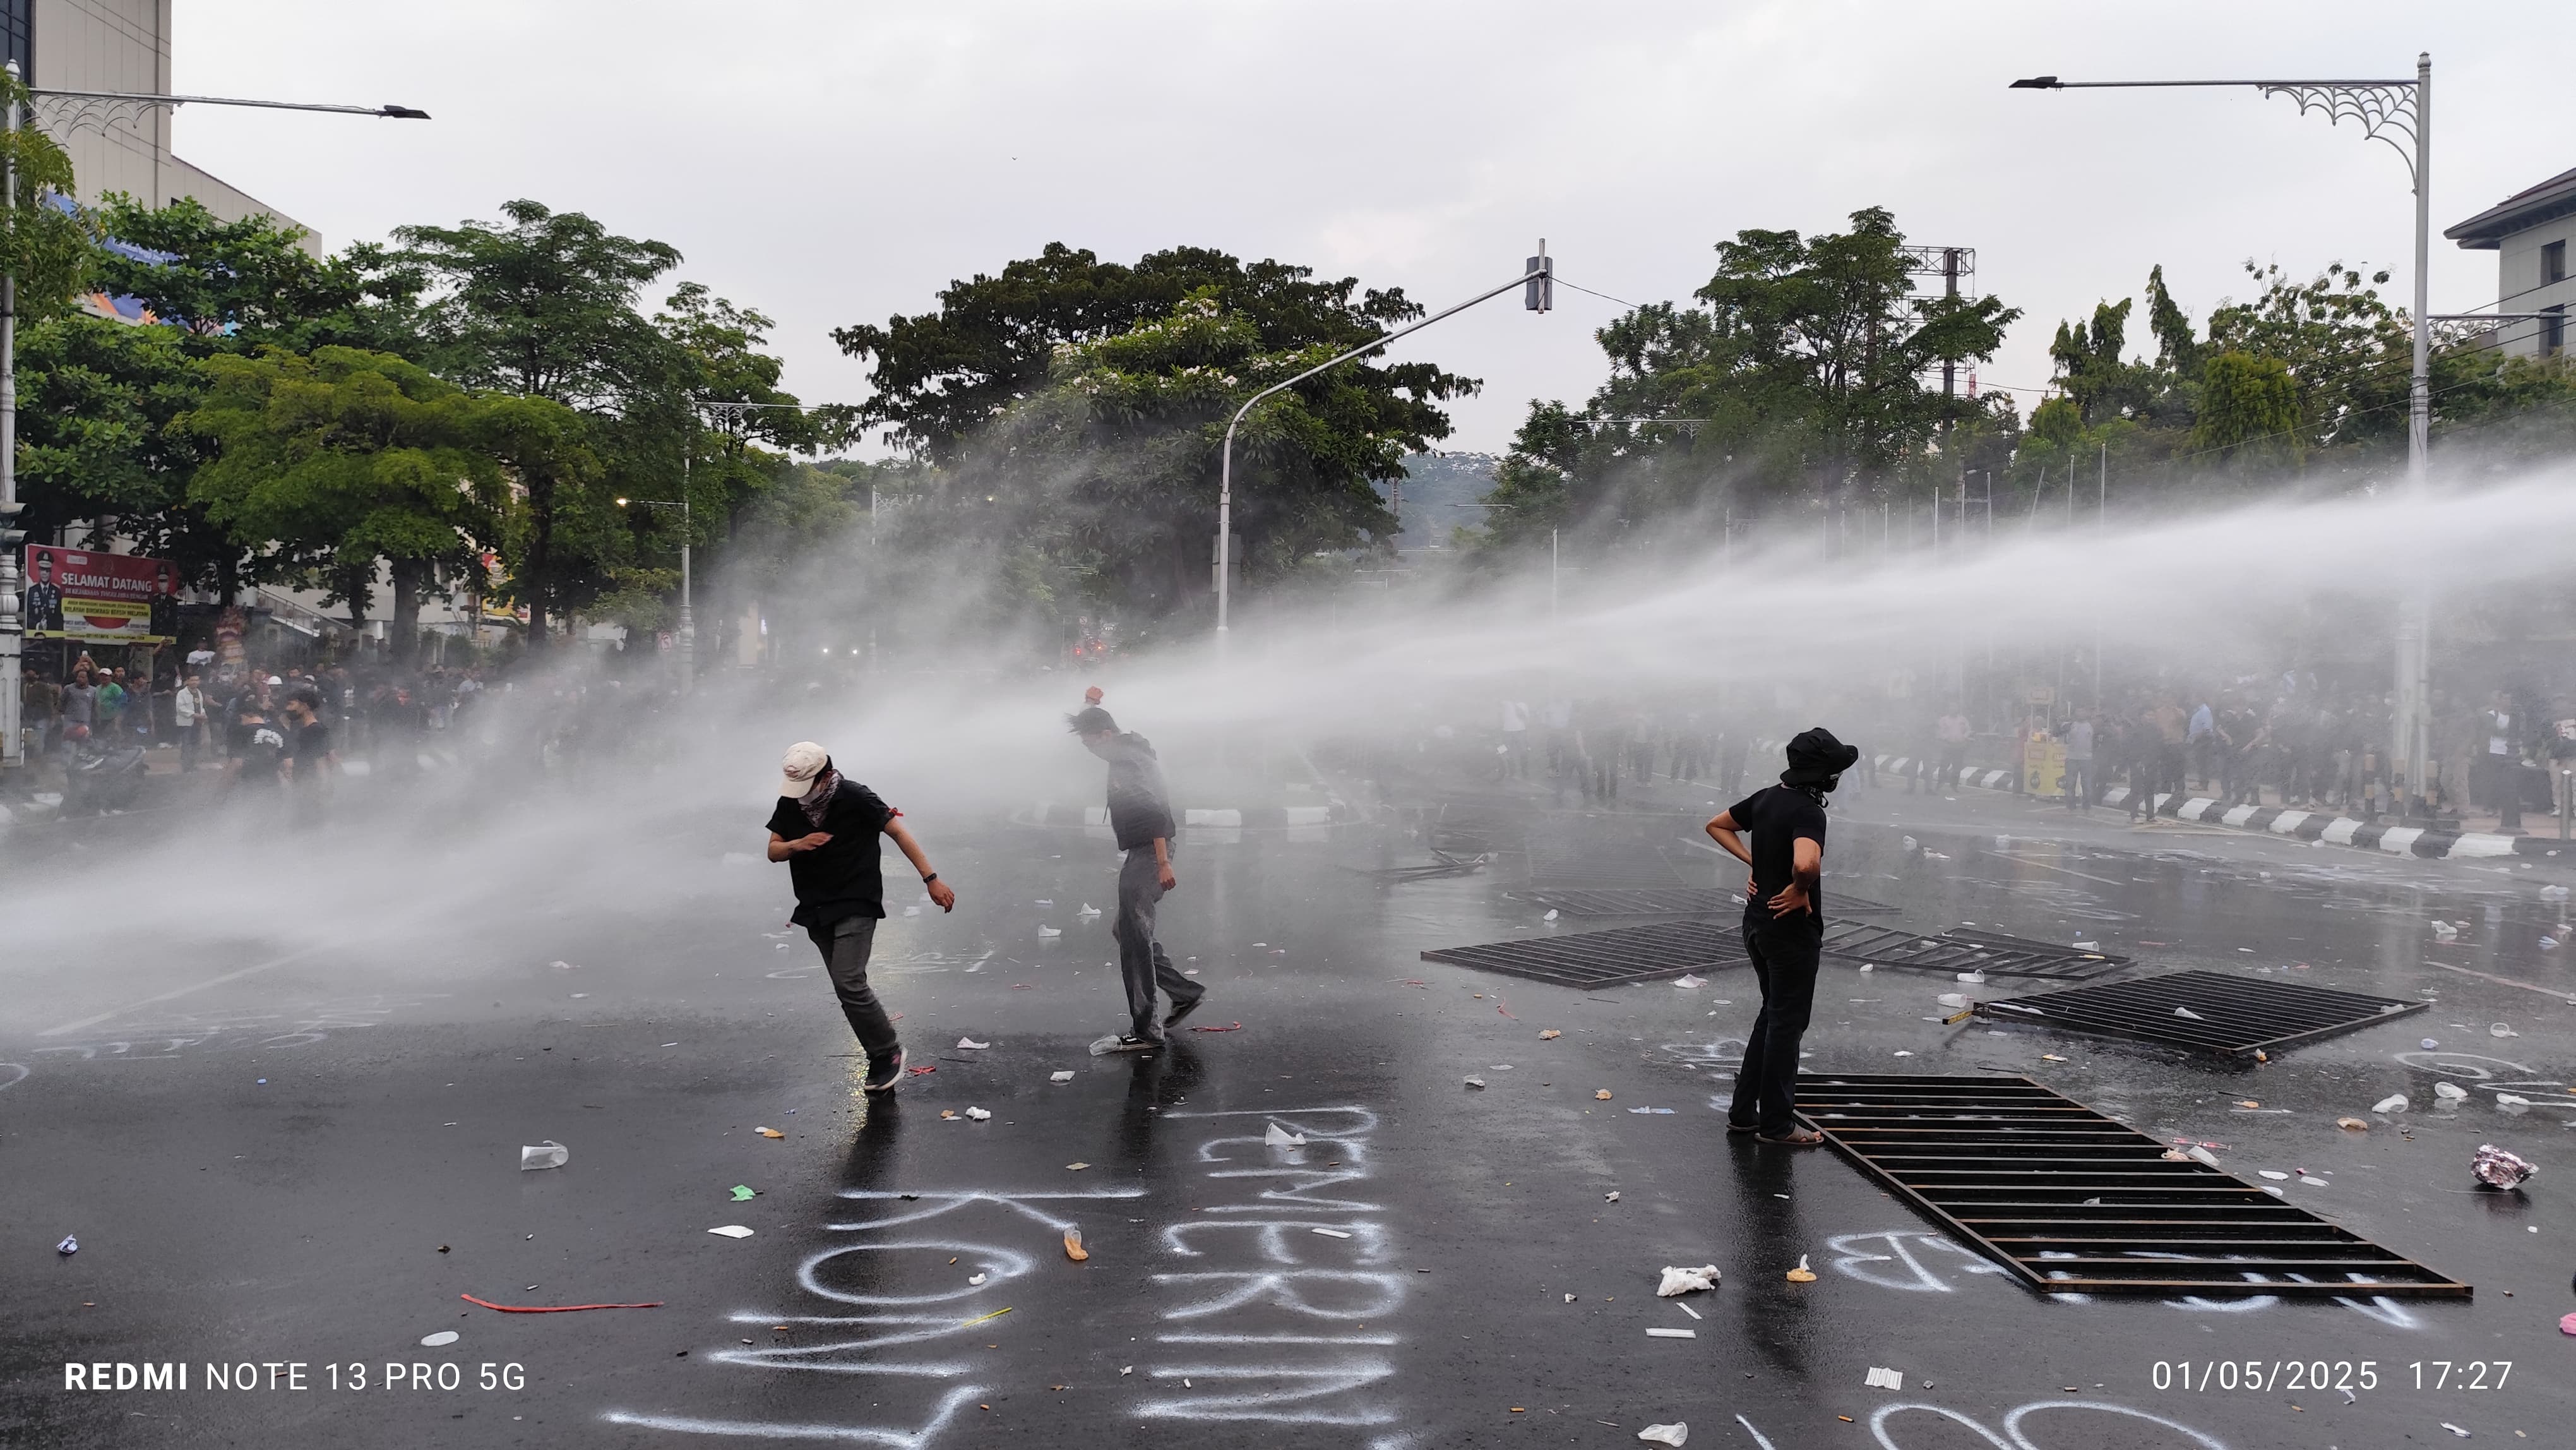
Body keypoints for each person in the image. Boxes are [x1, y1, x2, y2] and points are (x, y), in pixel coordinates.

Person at [765, 741, 954, 1092]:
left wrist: (931, 879)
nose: (801, 794)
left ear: (824, 776)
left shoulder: (855, 796)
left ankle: (887, 1054)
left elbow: (898, 832)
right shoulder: (790, 802)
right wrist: (798, 844)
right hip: (815, 905)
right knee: (845, 987)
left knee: (849, 981)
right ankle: (879, 1053)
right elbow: (774, 850)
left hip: (857, 899)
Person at [1704, 728, 1856, 1146]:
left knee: (1772, 1016)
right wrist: (1800, 887)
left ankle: (1743, 1113)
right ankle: (1776, 1125)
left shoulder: (1767, 797)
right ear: (1824, 775)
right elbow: (1807, 863)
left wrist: (1756, 864)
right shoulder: (1809, 811)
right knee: (1787, 1026)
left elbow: (1717, 825)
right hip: (1790, 934)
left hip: (1756, 925)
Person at [1070, 705, 1204, 1052]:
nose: (1091, 751)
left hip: (1150, 853)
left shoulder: (1128, 761)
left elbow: (1154, 809)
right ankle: (1184, 992)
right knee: (1125, 930)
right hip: (1142, 853)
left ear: (1106, 736)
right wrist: (1089, 702)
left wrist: (1162, 863)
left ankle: (1147, 1030)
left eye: (1091, 744)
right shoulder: (1129, 750)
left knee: (1135, 940)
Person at [280, 686, 338, 817]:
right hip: (310, 789)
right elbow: (333, 757)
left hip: (310, 790)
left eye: (291, 704)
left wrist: (322, 788)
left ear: (305, 706)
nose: (288, 709)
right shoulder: (320, 728)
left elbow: (321, 760)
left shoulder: (312, 731)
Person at [2061, 707, 2095, 812]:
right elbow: (2057, 731)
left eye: (2083, 711)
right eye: (2078, 711)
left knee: (2087, 785)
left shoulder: (2092, 726)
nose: (2081, 714)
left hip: (2087, 760)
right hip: (2072, 758)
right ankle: (2070, 806)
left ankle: (2087, 807)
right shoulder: (2070, 725)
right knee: (2070, 784)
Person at [173, 673, 207, 772]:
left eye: (197, 680)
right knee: (186, 745)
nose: (195, 682)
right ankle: (186, 767)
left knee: (196, 745)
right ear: (187, 681)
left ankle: (193, 764)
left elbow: (201, 707)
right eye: (192, 680)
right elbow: (180, 709)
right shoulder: (182, 693)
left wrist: (203, 715)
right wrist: (194, 715)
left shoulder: (199, 692)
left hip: (198, 723)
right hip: (186, 724)